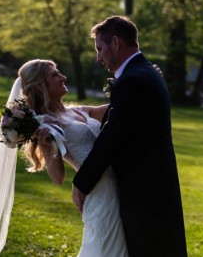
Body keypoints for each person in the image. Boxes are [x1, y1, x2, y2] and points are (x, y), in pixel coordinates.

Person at [72, 15, 188, 256]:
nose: (98, 57)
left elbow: (113, 137)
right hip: (154, 183)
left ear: (115, 43)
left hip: (145, 190)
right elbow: (129, 120)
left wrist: (81, 184)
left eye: (99, 48)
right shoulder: (144, 71)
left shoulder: (134, 79)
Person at [20, 59, 129, 256]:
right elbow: (58, 177)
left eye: (59, 72)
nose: (63, 77)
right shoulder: (46, 124)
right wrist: (50, 146)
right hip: (100, 195)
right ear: (41, 86)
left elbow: (121, 106)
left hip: (122, 188)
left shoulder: (78, 110)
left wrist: (139, 80)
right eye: (54, 75)